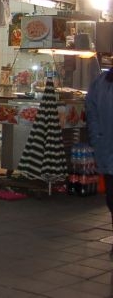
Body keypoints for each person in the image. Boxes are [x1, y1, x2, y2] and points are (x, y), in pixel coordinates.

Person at [85, 67, 113, 255]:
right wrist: (98, 139)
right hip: (109, 152)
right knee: (112, 200)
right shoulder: (102, 82)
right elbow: (92, 112)